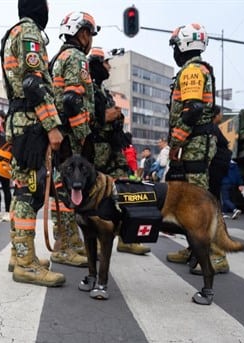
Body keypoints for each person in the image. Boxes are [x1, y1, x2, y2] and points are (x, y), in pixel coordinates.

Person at [0, 0, 65, 287]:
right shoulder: (29, 33)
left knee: (21, 190)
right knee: (29, 192)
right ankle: (26, 264)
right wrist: (52, 125)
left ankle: (20, 254)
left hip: (20, 120)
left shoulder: (14, 32)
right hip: (30, 122)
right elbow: (33, 84)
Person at [165, 23, 224, 273]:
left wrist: (176, 143)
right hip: (197, 143)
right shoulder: (198, 69)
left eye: (176, 45)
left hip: (195, 144)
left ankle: (217, 255)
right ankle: (195, 248)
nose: (175, 51)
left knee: (199, 202)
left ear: (185, 44)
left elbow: (193, 110)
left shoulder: (191, 71)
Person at [48, 11, 99, 267]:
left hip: (61, 135)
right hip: (72, 137)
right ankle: (65, 246)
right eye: (90, 33)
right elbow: (72, 101)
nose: (90, 39)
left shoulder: (59, 56)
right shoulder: (77, 57)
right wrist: (83, 138)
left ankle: (69, 242)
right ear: (83, 33)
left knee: (63, 190)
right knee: (66, 190)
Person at [88, 46, 150, 256]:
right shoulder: (86, 89)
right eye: (106, 63)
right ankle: (97, 241)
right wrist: (104, 117)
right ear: (96, 64)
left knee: (125, 192)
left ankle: (126, 237)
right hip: (96, 151)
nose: (109, 67)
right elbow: (81, 121)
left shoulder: (103, 91)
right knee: (99, 198)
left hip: (113, 150)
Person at [208, 106, 232, 203]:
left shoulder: (212, 128)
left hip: (216, 165)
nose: (221, 115)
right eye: (220, 113)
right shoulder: (212, 128)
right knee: (214, 194)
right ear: (216, 115)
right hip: (215, 166)